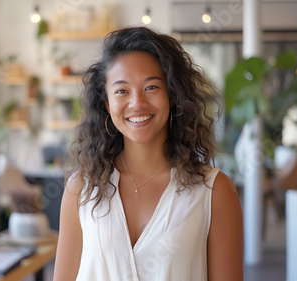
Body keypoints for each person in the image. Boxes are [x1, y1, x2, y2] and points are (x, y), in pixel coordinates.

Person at [54, 27, 243, 281]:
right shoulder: (81, 188)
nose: (137, 103)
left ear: (172, 95)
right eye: (122, 91)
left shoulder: (214, 191)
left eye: (151, 87)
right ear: (107, 104)